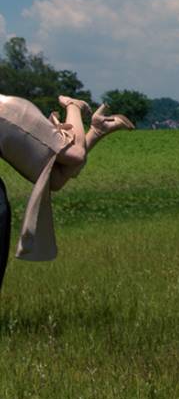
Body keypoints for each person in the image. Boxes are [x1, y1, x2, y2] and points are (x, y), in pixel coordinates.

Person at [0, 95, 133, 287]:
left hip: (7, 113)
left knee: (73, 154)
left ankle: (73, 105)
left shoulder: (7, 111)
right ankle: (98, 129)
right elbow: (55, 179)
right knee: (54, 177)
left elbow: (76, 155)